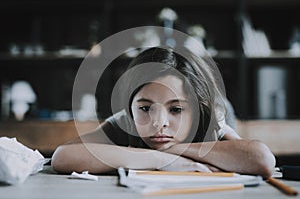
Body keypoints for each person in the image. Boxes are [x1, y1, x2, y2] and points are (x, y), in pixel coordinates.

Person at [51, 47, 275, 178]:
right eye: (145, 108)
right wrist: (162, 159)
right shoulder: (126, 120)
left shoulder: (211, 118)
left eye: (176, 109)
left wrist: (178, 148)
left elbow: (262, 159)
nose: (159, 123)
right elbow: (63, 157)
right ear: (130, 106)